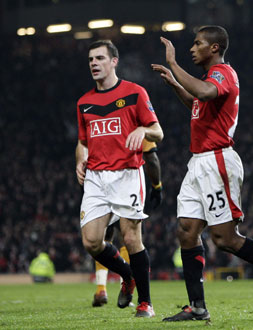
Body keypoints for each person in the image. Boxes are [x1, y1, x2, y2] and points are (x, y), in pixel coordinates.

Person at [151, 25, 253, 322]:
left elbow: (206, 93)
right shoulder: (208, 79)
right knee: (186, 230)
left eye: (197, 44)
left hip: (217, 161)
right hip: (198, 162)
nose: (191, 49)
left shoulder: (222, 72)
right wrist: (175, 84)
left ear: (214, 48)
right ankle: (197, 307)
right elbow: (197, 102)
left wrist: (174, 64)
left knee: (224, 238)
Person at [75, 40, 163, 318]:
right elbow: (82, 141)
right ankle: (128, 276)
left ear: (114, 61)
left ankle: (146, 303)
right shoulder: (84, 102)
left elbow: (158, 131)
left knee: (131, 237)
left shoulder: (135, 93)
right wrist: (80, 158)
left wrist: (144, 132)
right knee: (91, 242)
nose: (94, 63)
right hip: (96, 177)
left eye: (100, 58)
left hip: (127, 173)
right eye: (91, 59)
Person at [92, 140, 163, 307]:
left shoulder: (103, 119)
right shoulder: (136, 120)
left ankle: (101, 288)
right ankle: (127, 288)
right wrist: (157, 186)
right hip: (128, 182)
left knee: (104, 238)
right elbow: (151, 157)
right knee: (130, 239)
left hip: (103, 181)